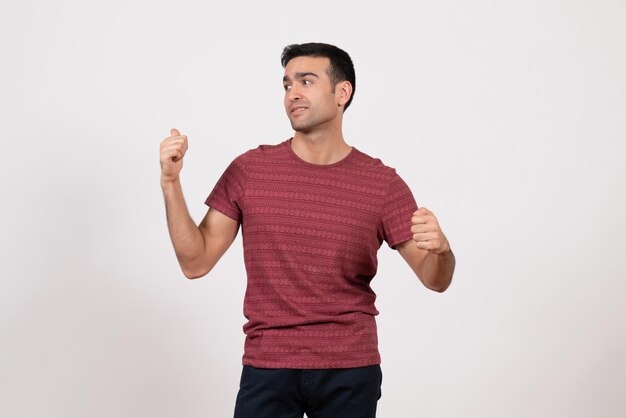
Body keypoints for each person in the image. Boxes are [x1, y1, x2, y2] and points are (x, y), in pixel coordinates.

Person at [159, 42, 456, 418]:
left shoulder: (382, 184)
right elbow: (195, 262)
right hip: (268, 365)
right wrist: (171, 184)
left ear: (342, 93)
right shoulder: (249, 171)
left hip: (350, 369)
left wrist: (442, 252)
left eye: (306, 81)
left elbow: (435, 280)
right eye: (286, 85)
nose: (292, 93)